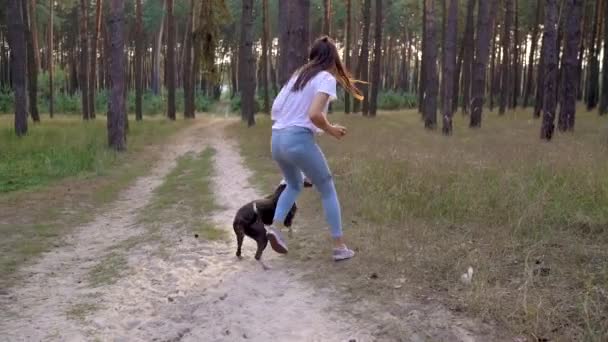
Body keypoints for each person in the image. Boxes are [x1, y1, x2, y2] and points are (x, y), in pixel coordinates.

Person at [265, 36, 364, 261]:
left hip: (276, 139)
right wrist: (331, 129)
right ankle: (340, 247)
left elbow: (276, 109)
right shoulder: (325, 78)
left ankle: (276, 229)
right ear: (332, 59)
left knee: (294, 184)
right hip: (296, 140)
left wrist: (303, 125)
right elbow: (314, 115)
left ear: (312, 56)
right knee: (327, 186)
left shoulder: (297, 76)